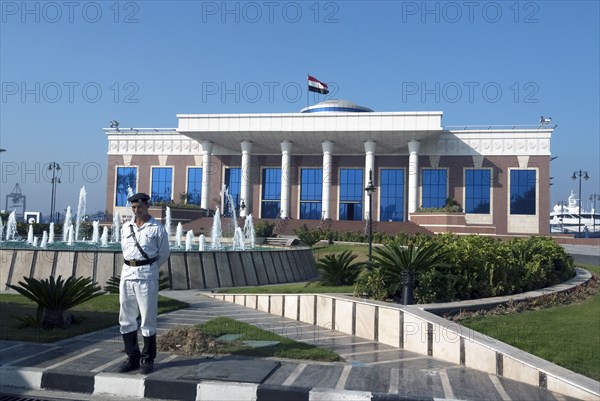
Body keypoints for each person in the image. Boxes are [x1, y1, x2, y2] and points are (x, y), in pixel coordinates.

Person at [118, 192, 170, 374]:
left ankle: (148, 359)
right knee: (126, 319)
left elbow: (163, 254)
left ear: (147, 206)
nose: (136, 210)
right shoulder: (126, 227)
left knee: (148, 319)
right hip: (127, 275)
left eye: (139, 207)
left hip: (146, 276)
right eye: (133, 207)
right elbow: (124, 250)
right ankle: (132, 357)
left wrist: (148, 267)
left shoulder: (157, 228)